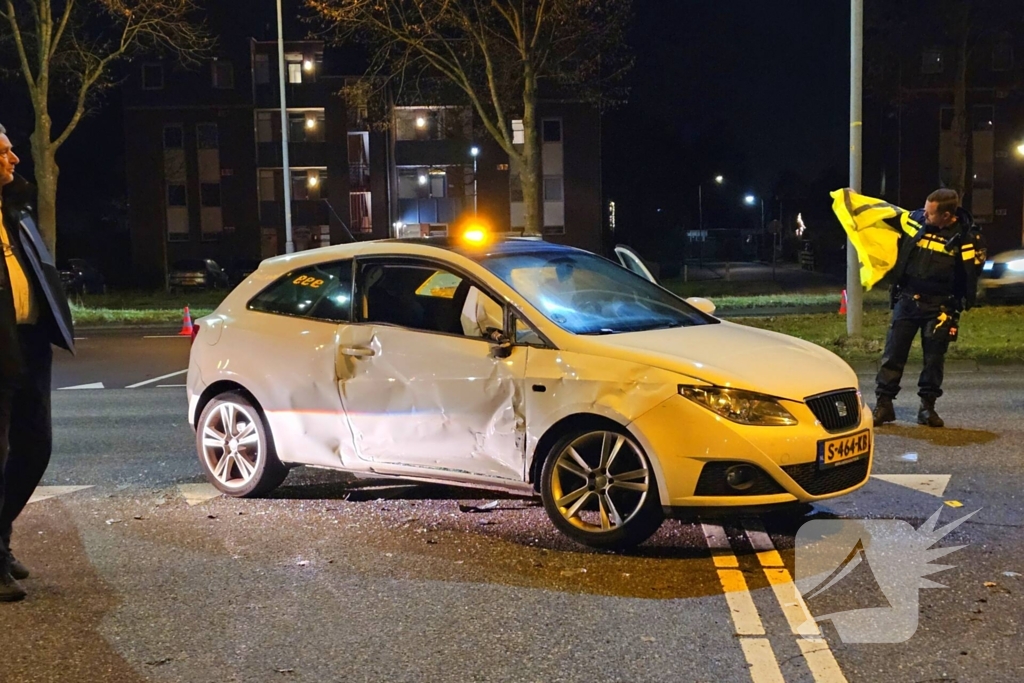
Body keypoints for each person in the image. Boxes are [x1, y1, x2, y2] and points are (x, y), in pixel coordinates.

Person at [0, 123, 75, 602]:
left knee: (35, 446)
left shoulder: (15, 209)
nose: (14, 159)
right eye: (5, 152)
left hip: (29, 343)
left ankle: (0, 536)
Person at [873, 188, 983, 429]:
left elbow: (971, 273)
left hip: (940, 306)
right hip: (908, 299)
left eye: (931, 213)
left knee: (934, 359)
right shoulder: (915, 220)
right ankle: (884, 405)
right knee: (893, 353)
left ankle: (927, 408)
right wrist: (852, 201)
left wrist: (962, 303)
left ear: (946, 216)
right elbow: (884, 212)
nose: (924, 215)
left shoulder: (965, 237)